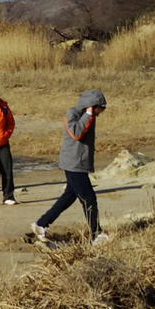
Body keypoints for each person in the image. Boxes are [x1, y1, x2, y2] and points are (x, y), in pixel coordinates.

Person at [31, 90, 110, 245]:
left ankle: (41, 224)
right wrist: (88, 114)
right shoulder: (72, 113)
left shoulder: (89, 116)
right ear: (91, 106)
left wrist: (89, 115)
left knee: (68, 197)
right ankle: (96, 235)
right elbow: (76, 133)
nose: (99, 113)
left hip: (79, 163)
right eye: (99, 109)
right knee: (89, 200)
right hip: (73, 164)